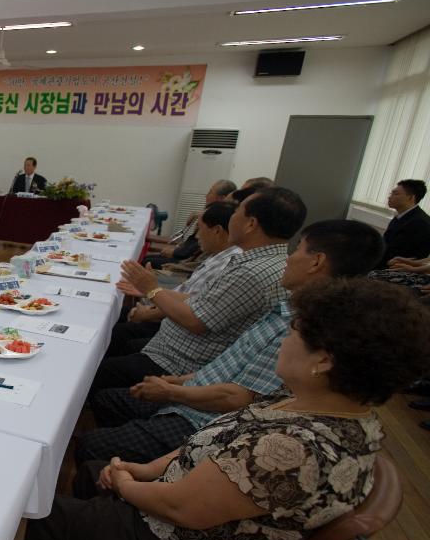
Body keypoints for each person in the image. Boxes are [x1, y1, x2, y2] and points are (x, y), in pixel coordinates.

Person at [22, 278, 429, 540]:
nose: (284, 340)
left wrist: (129, 485)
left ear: (323, 360)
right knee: (95, 470)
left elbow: (180, 508)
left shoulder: (291, 448)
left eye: (294, 332)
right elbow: (216, 442)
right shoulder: (331, 408)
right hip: (210, 520)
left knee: (36, 517)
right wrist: (146, 469)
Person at [80, 220, 386, 466]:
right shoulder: (292, 307)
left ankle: (111, 483)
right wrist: (185, 381)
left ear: (316, 262)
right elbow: (235, 364)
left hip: (204, 420)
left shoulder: (305, 326)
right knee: (108, 396)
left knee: (93, 439)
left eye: (298, 250)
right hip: (196, 390)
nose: (289, 258)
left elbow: (242, 397)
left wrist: (172, 390)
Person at [91, 187, 307, 392]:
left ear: (250, 224)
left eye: (237, 211)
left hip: (178, 363)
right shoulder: (257, 260)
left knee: (96, 371)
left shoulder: (252, 272)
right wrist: (152, 290)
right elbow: (203, 299)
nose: (232, 216)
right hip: (173, 348)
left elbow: (196, 322)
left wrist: (153, 291)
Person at [109, 201, 237, 356]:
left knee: (117, 332)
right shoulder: (219, 256)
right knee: (115, 315)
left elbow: (193, 307)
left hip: (175, 330)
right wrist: (149, 292)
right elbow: (190, 295)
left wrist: (148, 306)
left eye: (200, 230)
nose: (196, 237)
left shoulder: (229, 263)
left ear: (217, 231)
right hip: (168, 313)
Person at [144, 179, 236, 267]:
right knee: (145, 258)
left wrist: (175, 252)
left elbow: (197, 247)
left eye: (210, 192)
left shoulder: (216, 217)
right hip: (184, 253)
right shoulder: (207, 213)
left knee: (145, 260)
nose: (206, 196)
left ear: (222, 198)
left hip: (185, 261)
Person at [379, 179, 430, 267]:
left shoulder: (419, 223)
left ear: (411, 198)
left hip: (397, 270)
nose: (389, 197)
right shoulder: (401, 216)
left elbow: (395, 255)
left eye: (396, 194)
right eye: (391, 193)